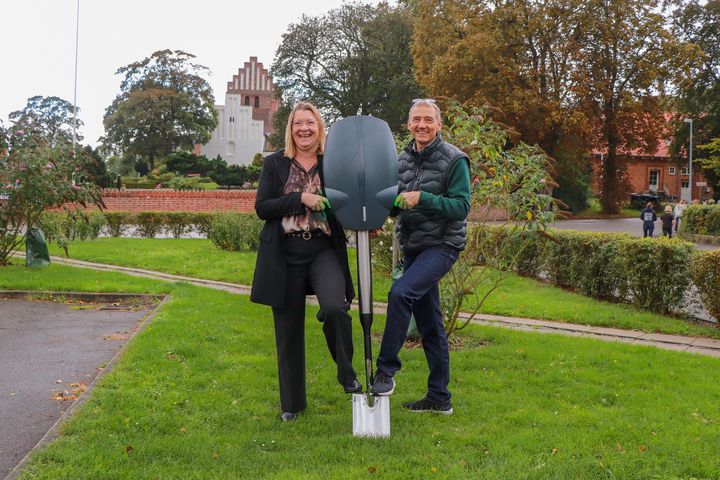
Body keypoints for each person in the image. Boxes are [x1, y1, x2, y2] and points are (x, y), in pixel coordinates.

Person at [250, 101, 360, 422]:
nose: (303, 129)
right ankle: (292, 405)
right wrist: (300, 198)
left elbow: (348, 198)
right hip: (284, 253)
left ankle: (346, 372)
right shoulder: (275, 164)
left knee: (336, 308)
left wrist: (369, 219)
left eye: (309, 123)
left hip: (323, 249)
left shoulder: (332, 163)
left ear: (319, 127)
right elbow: (263, 207)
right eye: (298, 123)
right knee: (288, 332)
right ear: (290, 129)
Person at [370, 99, 471, 415]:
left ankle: (386, 370)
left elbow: (460, 207)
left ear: (438, 124)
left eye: (429, 119)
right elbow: (394, 204)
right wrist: (376, 218)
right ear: (409, 123)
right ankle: (440, 398)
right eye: (417, 119)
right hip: (414, 249)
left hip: (442, 246)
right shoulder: (400, 160)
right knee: (430, 325)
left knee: (401, 293)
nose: (422, 125)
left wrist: (423, 198)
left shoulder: (455, 160)